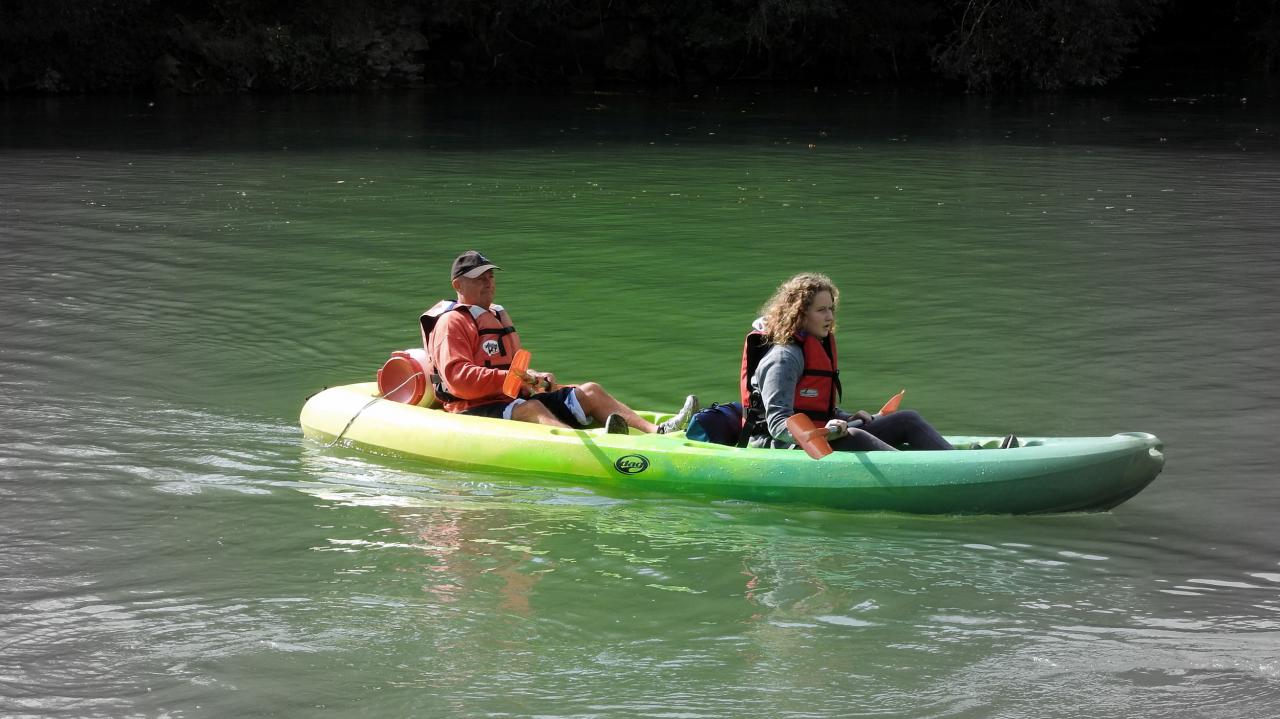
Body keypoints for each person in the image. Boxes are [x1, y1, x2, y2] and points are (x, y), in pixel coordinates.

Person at [422, 250, 699, 434]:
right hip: (471, 410)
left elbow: (514, 370)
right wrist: (515, 379)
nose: (488, 283)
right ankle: (584, 449)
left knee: (589, 390)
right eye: (479, 279)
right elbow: (459, 379)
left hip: (510, 399)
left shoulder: (496, 315)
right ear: (458, 285)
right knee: (532, 408)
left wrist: (535, 378)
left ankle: (658, 431)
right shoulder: (452, 323)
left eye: (490, 276)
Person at [740, 272, 1016, 451]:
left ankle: (958, 463)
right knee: (857, 437)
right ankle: (937, 474)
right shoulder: (783, 359)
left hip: (819, 436)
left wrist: (845, 418)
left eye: (831, 309)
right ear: (800, 315)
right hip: (779, 447)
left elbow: (814, 408)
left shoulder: (812, 347)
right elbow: (778, 423)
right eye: (821, 310)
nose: (830, 317)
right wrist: (828, 432)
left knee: (906, 419)